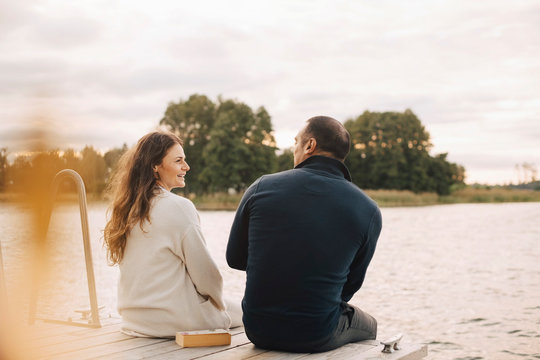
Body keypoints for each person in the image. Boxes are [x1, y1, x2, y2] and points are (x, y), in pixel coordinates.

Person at [226, 116, 382, 352]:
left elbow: (235, 259)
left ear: (310, 145)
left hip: (258, 329)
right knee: (370, 325)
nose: (294, 149)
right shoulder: (368, 209)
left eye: (296, 142)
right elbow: (350, 286)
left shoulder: (261, 188)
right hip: (316, 334)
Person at [104, 131, 242, 338]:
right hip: (175, 321)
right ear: (155, 166)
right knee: (247, 309)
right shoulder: (179, 207)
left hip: (134, 320)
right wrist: (218, 305)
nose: (186, 167)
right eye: (179, 161)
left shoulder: (127, 209)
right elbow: (207, 276)